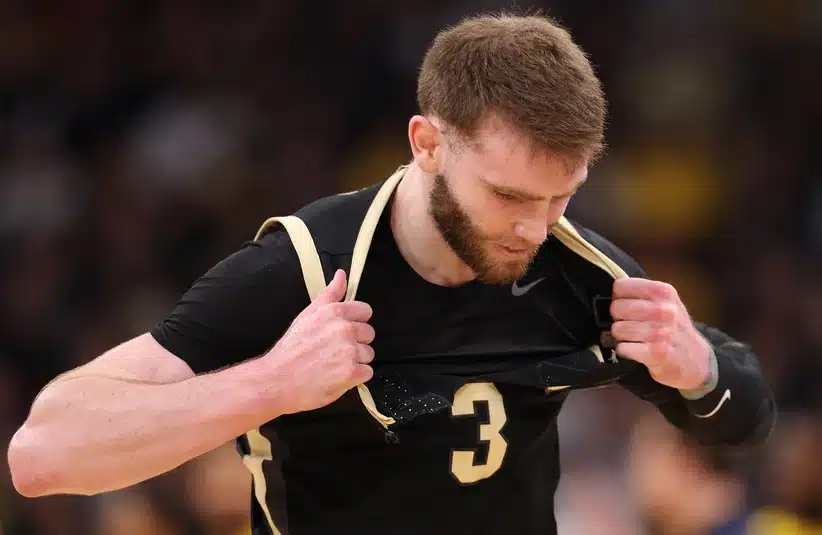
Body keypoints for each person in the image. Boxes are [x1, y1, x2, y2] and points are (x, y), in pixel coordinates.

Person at [7, 12, 775, 535]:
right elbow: (41, 455)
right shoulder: (305, 270)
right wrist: (270, 386)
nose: (532, 228)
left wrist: (698, 366)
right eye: (507, 195)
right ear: (427, 143)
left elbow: (745, 420)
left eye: (561, 195)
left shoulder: (574, 269)